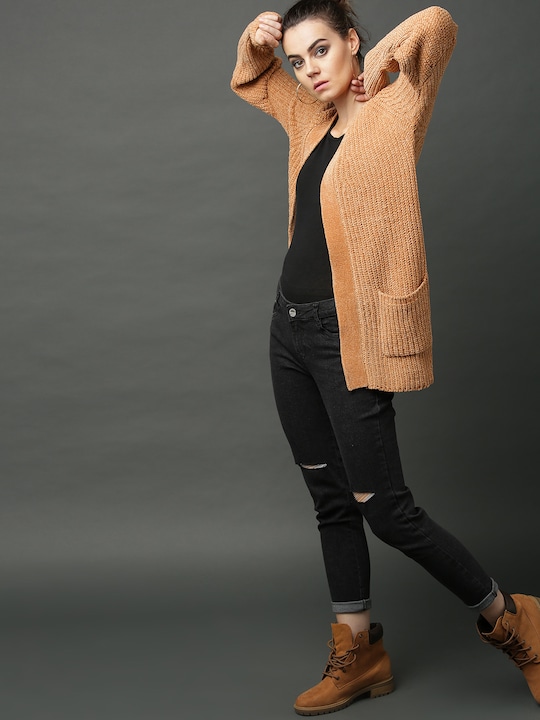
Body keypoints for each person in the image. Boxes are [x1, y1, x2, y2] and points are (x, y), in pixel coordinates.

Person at [230, 1, 540, 714]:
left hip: (352, 337)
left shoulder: (397, 108)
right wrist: (255, 40)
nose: (309, 70)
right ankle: (359, 652)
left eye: (322, 50)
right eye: (299, 58)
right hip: (288, 333)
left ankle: (516, 621)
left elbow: (439, 25)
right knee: (329, 499)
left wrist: (377, 68)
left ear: (352, 41)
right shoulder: (309, 119)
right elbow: (254, 81)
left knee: (388, 509)